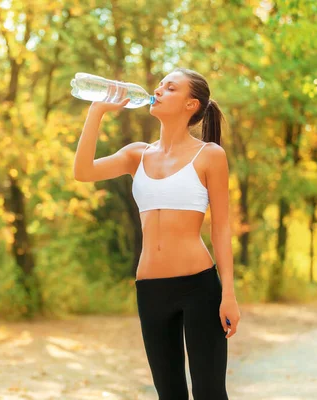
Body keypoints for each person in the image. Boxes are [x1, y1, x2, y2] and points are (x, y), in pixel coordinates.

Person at [73, 68, 240, 400]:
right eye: (160, 85)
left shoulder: (209, 156)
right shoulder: (137, 154)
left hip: (199, 287)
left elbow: (221, 229)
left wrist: (229, 294)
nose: (158, 90)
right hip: (151, 291)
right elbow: (82, 171)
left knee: (209, 392)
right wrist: (97, 110)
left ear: (191, 104)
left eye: (170, 87)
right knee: (169, 394)